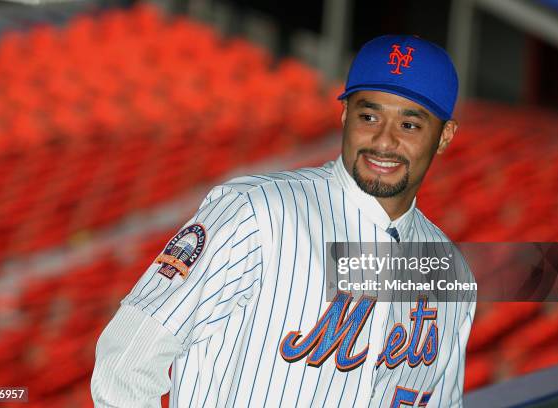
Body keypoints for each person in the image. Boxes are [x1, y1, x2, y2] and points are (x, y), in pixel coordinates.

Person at [91, 34, 476, 407]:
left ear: (445, 136)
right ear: (344, 115)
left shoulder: (451, 271)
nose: (384, 141)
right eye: (369, 116)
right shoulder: (255, 212)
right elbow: (126, 365)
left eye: (410, 125)